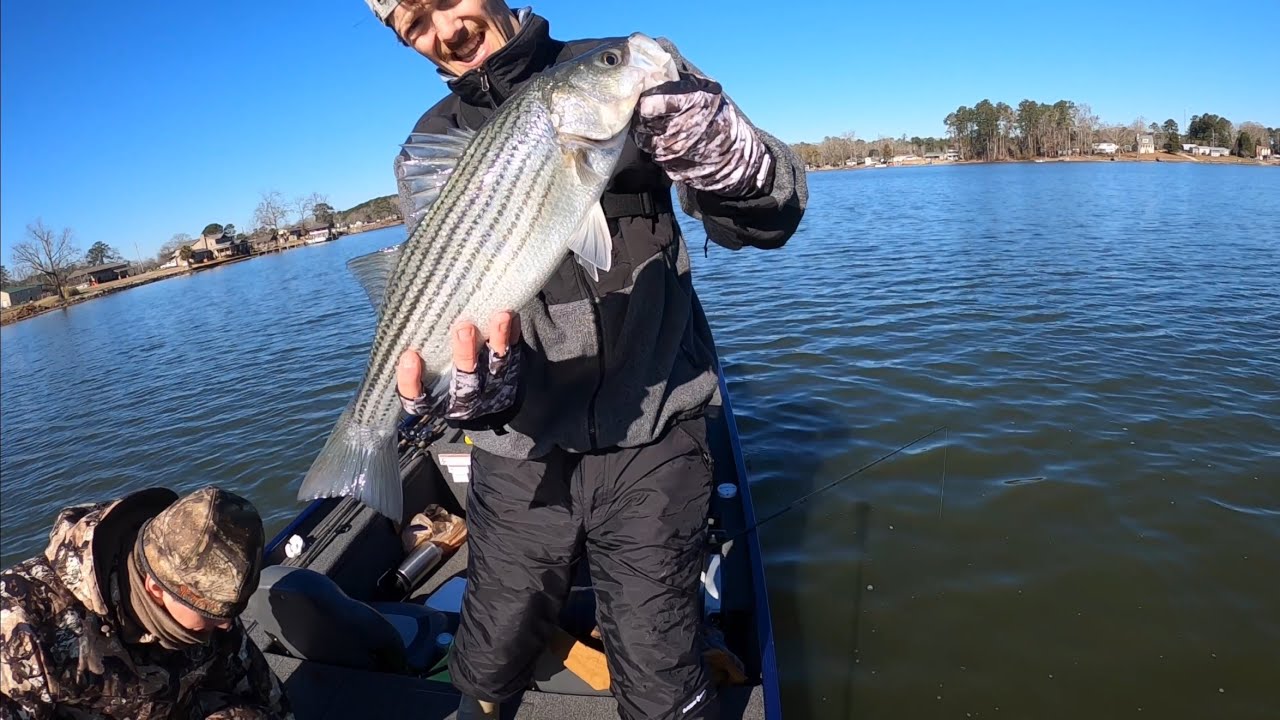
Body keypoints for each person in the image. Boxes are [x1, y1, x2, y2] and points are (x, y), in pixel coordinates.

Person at [364, 2, 807, 717]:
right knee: (487, 651)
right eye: (413, 22)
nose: (444, 29)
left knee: (661, 673)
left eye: (448, 0)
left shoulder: (622, 64)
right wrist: (470, 394)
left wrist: (740, 164)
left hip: (656, 436)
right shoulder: (428, 144)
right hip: (519, 453)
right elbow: (452, 296)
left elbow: (771, 220)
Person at [0, 486, 292, 720]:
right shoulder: (21, 623)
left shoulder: (206, 595)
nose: (227, 624)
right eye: (211, 613)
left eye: (232, 611)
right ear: (155, 588)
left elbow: (263, 696)